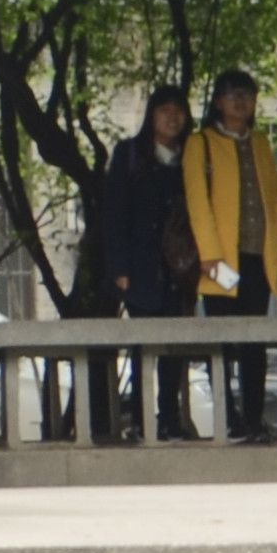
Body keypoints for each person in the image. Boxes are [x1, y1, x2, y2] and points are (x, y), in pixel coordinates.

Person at [77, 84, 199, 445]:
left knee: (175, 347)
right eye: (164, 110)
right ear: (151, 116)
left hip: (181, 267)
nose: (172, 118)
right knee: (143, 345)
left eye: (178, 111)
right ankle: (144, 420)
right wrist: (119, 269)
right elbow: (114, 214)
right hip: (140, 267)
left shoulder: (193, 156)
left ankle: (170, 419)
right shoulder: (129, 154)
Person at [183, 66, 277, 443]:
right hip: (220, 261)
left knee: (254, 342)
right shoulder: (201, 143)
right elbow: (197, 201)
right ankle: (229, 419)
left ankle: (254, 420)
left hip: (257, 255)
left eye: (247, 94)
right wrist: (209, 254)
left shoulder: (260, 142)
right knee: (223, 343)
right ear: (217, 102)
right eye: (232, 94)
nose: (240, 101)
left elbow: (273, 197)